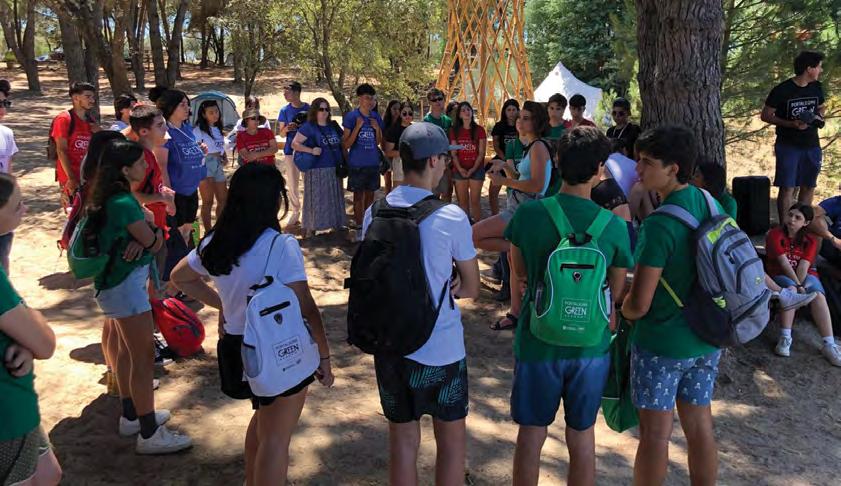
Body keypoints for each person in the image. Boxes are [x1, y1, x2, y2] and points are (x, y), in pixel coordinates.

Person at [170, 162, 333, 484]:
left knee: (263, 420)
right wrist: (324, 355)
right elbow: (306, 306)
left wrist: (223, 304)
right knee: (277, 439)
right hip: (278, 349)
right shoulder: (281, 246)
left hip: (237, 347)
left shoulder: (215, 242)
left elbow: (180, 277)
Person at [506, 126, 632, 486]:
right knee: (581, 437)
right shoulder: (613, 225)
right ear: (599, 170)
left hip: (538, 340)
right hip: (590, 346)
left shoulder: (529, 215)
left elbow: (519, 271)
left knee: (531, 435)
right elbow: (615, 291)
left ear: (558, 162)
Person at [364, 122, 479, 486]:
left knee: (402, 443)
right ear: (432, 161)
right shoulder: (451, 216)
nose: (446, 164)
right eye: (445, 158)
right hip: (441, 346)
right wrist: (452, 282)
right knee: (451, 444)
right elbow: (472, 287)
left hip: (390, 344)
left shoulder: (374, 212)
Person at [621, 126, 720, 485]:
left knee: (655, 436)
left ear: (673, 169)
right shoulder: (709, 202)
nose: (638, 169)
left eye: (647, 162)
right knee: (700, 427)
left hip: (662, 344)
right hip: (707, 337)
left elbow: (639, 304)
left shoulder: (659, 225)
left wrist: (622, 310)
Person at [87, 139, 192, 454]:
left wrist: (145, 235)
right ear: (124, 169)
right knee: (143, 358)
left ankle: (132, 415)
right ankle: (149, 433)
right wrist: (152, 231)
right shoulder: (124, 203)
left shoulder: (111, 197)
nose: (147, 166)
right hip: (125, 288)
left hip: (116, 286)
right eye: (141, 163)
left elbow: (142, 238)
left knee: (126, 352)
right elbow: (156, 242)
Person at [0, 173, 63, 486]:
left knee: (49, 473)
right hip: (7, 410)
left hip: (18, 402)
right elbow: (45, 343)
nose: (25, 209)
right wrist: (30, 329)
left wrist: (23, 340)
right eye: (17, 206)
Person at [691, 160, 816, 314]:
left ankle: (776, 295)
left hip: (718, 245)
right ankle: (778, 295)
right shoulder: (693, 199)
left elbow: (727, 231)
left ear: (708, 181)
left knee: (748, 258)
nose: (691, 179)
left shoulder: (726, 202)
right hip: (705, 247)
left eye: (697, 175)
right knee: (740, 259)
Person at [477, 101, 552, 331]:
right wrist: (506, 168)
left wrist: (504, 181)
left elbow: (537, 185)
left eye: (526, 118)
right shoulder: (532, 146)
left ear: (537, 122)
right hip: (520, 210)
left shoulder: (538, 147)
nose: (520, 121)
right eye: (520, 117)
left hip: (524, 213)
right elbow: (524, 178)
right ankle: (515, 313)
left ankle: (520, 312)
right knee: (513, 262)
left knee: (474, 235)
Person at [765, 203, 841, 366]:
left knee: (818, 295)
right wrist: (799, 286)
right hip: (780, 272)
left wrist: (802, 284)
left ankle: (829, 344)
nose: (792, 220)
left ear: (806, 223)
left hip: (805, 273)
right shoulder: (775, 234)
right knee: (791, 290)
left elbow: (803, 266)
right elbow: (784, 264)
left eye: (797, 218)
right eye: (790, 215)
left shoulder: (810, 240)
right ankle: (785, 337)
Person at [761, 50, 826, 224]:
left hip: (812, 144)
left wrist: (818, 117)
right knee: (788, 187)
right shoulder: (782, 90)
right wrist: (791, 124)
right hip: (788, 145)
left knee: (809, 185)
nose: (821, 70)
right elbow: (766, 115)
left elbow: (821, 107)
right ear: (809, 69)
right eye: (819, 67)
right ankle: (784, 227)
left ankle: (801, 224)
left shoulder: (816, 87)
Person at [155, 89, 207, 294]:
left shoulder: (187, 128)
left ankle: (183, 281)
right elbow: (161, 166)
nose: (187, 108)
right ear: (170, 108)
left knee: (187, 232)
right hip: (176, 193)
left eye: (187, 104)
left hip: (191, 190)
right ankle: (171, 288)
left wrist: (200, 150)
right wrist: (169, 197)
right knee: (175, 238)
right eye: (182, 105)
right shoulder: (165, 132)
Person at [291, 97, 347, 237]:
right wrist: (311, 150)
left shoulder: (333, 126)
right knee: (316, 200)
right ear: (315, 110)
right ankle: (311, 228)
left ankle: (336, 225)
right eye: (321, 109)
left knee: (334, 199)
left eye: (327, 109)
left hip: (334, 169)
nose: (324, 112)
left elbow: (343, 142)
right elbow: (294, 144)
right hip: (317, 170)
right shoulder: (309, 127)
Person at [342, 83, 384, 235]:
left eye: (372, 98)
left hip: (372, 162)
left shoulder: (376, 117)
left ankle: (367, 224)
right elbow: (346, 144)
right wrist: (357, 127)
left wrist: (377, 129)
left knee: (370, 196)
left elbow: (378, 142)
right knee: (358, 196)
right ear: (360, 98)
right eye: (367, 98)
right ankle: (359, 225)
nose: (370, 101)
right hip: (357, 163)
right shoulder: (352, 117)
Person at [51, 82, 99, 204]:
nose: (92, 100)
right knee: (73, 211)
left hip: (87, 177)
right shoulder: (64, 119)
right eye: (88, 96)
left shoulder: (91, 120)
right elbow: (61, 150)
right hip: (70, 179)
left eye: (93, 97)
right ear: (76, 98)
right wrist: (71, 178)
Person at [276, 82, 310, 230]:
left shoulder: (309, 109)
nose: (284, 94)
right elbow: (281, 133)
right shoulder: (284, 110)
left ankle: (309, 212)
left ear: (297, 92)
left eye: (287, 92)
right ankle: (296, 211)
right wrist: (287, 128)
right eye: (284, 92)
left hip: (307, 150)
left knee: (308, 181)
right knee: (292, 183)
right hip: (290, 151)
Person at [193, 100, 228, 234]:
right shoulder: (197, 131)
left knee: (223, 199)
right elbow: (197, 149)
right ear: (203, 114)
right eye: (211, 112)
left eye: (216, 111)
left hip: (218, 164)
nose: (215, 115)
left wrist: (224, 155)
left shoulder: (218, 128)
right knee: (208, 201)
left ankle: (219, 230)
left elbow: (220, 147)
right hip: (205, 164)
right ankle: (208, 232)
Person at [449, 101, 487, 222]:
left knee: (475, 201)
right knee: (463, 202)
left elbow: (481, 153)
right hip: (459, 169)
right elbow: (454, 153)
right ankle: (466, 228)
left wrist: (472, 169)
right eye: (463, 110)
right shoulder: (454, 131)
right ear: (459, 115)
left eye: (468, 109)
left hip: (476, 169)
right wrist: (460, 169)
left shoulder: (480, 130)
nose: (466, 112)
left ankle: (478, 228)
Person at [489, 99, 520, 216]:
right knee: (493, 191)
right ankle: (495, 215)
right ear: (504, 111)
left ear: (518, 111)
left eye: (514, 110)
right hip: (501, 160)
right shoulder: (499, 126)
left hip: (518, 162)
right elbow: (496, 145)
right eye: (509, 110)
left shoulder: (521, 125)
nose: (511, 112)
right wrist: (505, 159)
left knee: (515, 191)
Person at [425, 89, 454, 201]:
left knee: (448, 192)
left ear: (444, 100)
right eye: (434, 100)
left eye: (440, 99)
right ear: (429, 102)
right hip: (432, 163)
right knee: (434, 194)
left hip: (446, 162)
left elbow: (450, 141)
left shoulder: (448, 121)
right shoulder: (427, 121)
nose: (437, 102)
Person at [0, 81, 17, 273]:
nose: (2, 109)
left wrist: (13, 203)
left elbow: (8, 172)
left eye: (5, 103)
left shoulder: (6, 134)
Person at [382, 101, 413, 188]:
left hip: (414, 165)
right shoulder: (394, 130)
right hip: (399, 163)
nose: (407, 116)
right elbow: (388, 152)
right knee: (399, 192)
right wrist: (405, 153)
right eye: (404, 113)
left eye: (410, 113)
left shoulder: (415, 129)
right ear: (400, 114)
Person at [380, 100, 402, 193]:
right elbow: (382, 141)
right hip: (387, 156)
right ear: (389, 109)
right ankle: (387, 198)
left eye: (399, 109)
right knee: (388, 182)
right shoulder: (385, 124)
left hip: (398, 156)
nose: (397, 111)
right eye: (394, 109)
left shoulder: (403, 123)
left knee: (398, 181)